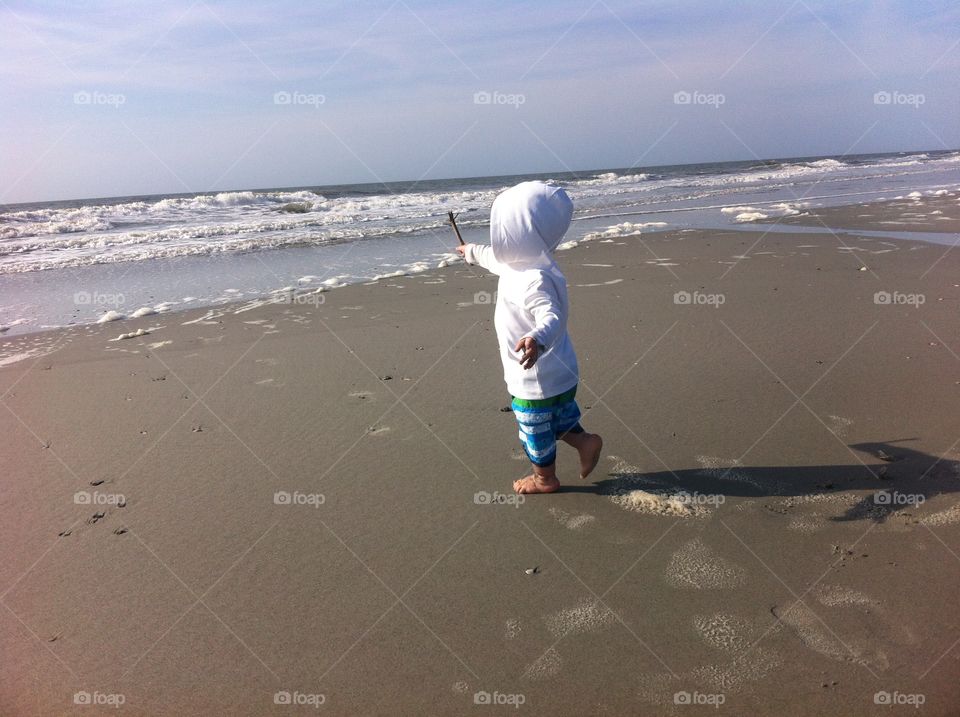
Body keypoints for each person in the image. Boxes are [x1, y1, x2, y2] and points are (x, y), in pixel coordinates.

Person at [456, 181, 603, 494]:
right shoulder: (517, 264)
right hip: (558, 372)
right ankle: (586, 442)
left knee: (534, 431)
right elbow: (488, 256)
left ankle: (544, 479)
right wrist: (469, 251)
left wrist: (537, 338)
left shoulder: (534, 279)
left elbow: (551, 316)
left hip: (535, 373)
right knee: (557, 417)